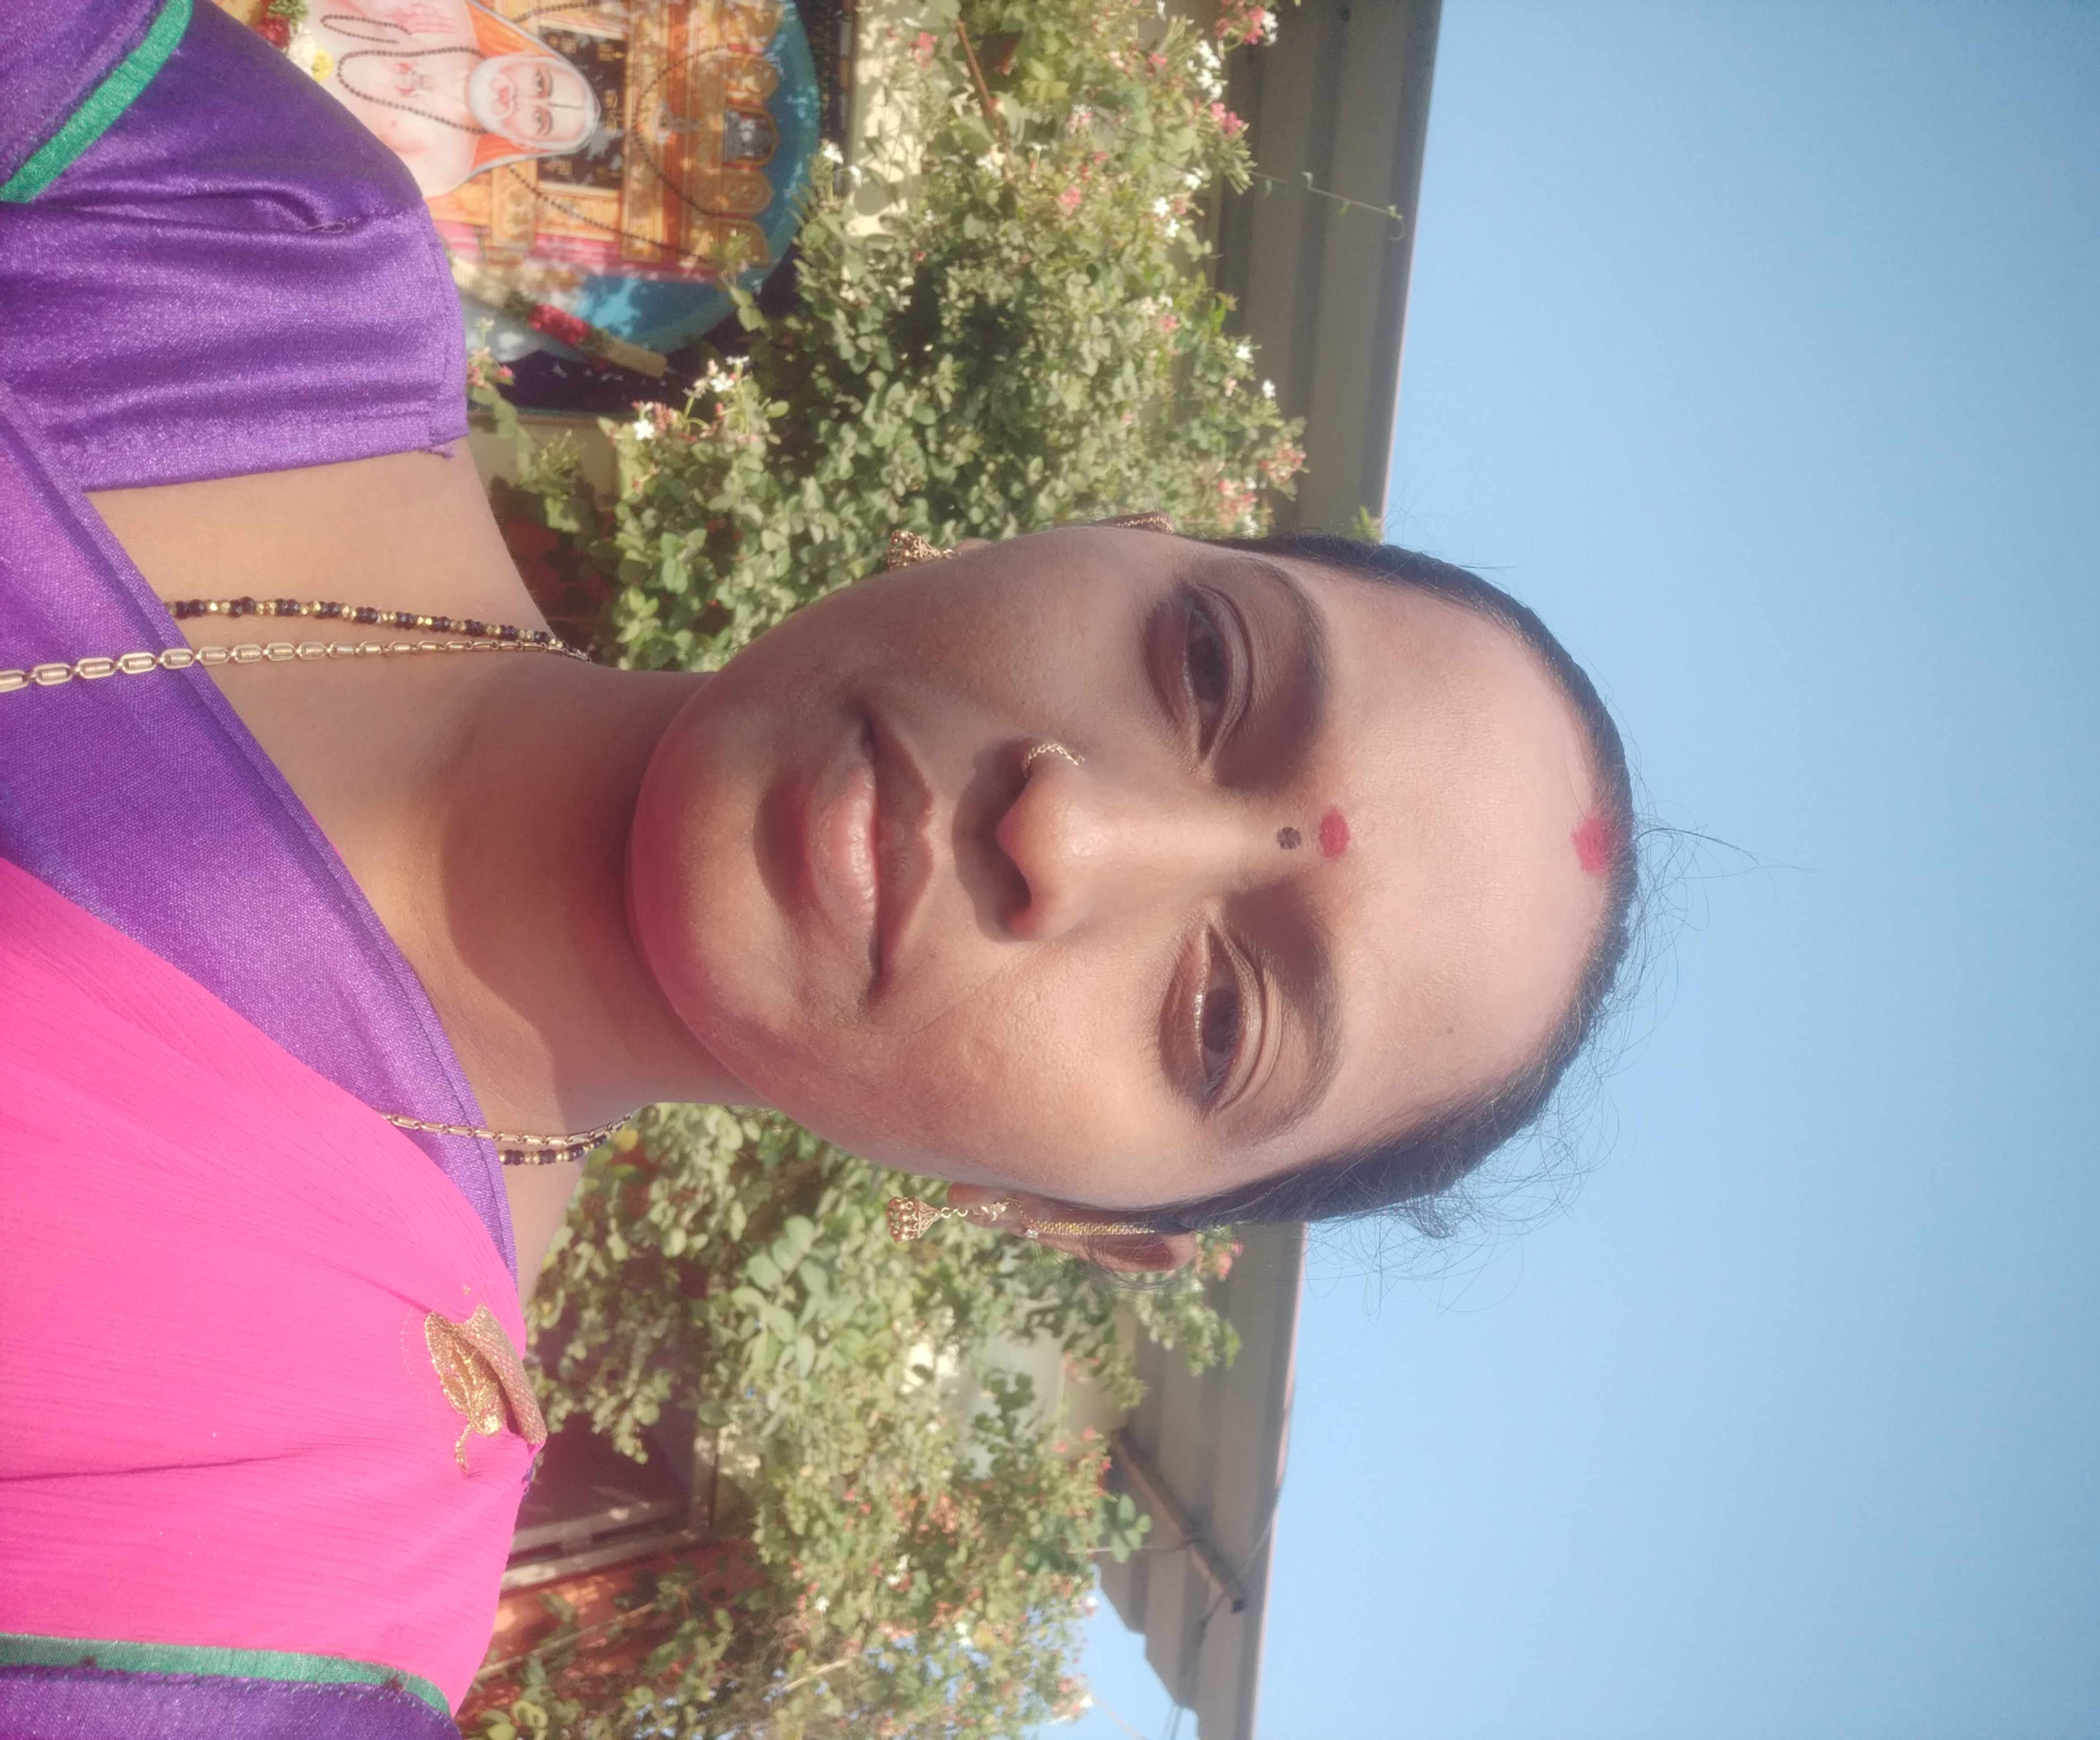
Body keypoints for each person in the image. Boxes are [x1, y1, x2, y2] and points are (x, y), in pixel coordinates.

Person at [0, 0, 1640, 1732]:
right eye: (1209, 663)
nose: (1064, 828)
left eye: (1220, 1019)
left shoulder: (256, 1593)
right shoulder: (238, 238)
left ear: (1075, 1223)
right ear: (1107, 536)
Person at [308, 0, 604, 197]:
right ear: (527, 57)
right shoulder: (449, 12)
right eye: (539, 82)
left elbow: (340, 185)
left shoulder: (446, 168)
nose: (521, 98)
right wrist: (385, 12)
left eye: (539, 119)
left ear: (525, 143)